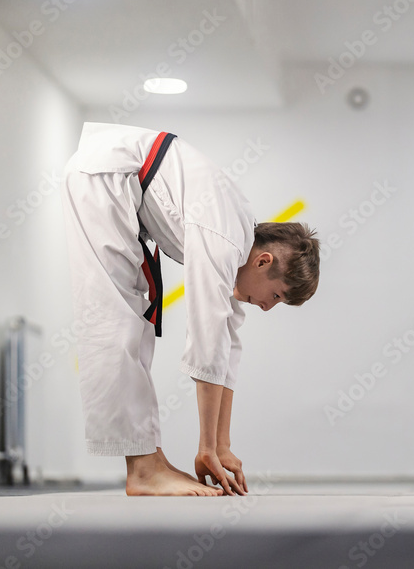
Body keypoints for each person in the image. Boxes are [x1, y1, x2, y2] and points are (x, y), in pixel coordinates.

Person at [61, 122, 320, 496]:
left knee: (135, 325)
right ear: (263, 262)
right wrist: (205, 447)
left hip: (116, 179)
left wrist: (221, 446)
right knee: (116, 322)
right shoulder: (225, 238)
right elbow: (207, 340)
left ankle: (152, 462)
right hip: (106, 177)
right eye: (276, 296)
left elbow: (227, 348)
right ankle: (143, 470)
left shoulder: (235, 240)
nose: (267, 308)